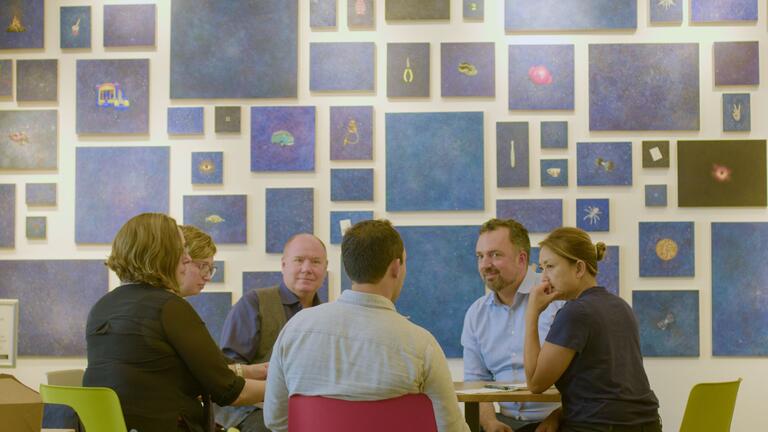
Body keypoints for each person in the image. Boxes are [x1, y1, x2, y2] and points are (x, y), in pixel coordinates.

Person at [263, 219, 470, 432]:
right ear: (396, 267)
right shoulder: (422, 345)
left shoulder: (295, 330)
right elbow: (451, 429)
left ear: (348, 266)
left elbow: (275, 420)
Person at [83, 213, 265, 432]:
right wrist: (290, 388)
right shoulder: (169, 307)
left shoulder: (102, 307)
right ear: (160, 254)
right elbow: (229, 391)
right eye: (181, 250)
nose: (187, 259)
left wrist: (256, 372)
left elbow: (180, 372)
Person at [524, 227, 661, 432]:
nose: (543, 278)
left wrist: (532, 313)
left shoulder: (575, 313)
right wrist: (558, 413)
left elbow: (535, 384)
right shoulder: (621, 306)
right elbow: (609, 388)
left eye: (550, 267)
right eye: (542, 268)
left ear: (579, 268)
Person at [215, 233, 327, 432]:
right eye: (299, 260)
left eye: (316, 262)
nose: (307, 269)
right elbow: (230, 370)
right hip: (251, 410)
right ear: (284, 265)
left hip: (307, 407)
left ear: (325, 268)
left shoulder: (327, 314)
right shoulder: (254, 303)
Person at [461, 218, 562, 432]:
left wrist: (558, 419)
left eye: (495, 255)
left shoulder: (558, 301)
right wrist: (489, 423)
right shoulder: (475, 314)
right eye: (480, 256)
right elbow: (475, 382)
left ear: (522, 259)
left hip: (559, 424)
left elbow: (584, 378)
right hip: (503, 423)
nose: (485, 265)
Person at [179, 224, 268, 381]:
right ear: (182, 260)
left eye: (210, 269)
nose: (207, 276)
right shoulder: (172, 308)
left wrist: (252, 371)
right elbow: (207, 374)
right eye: (202, 266)